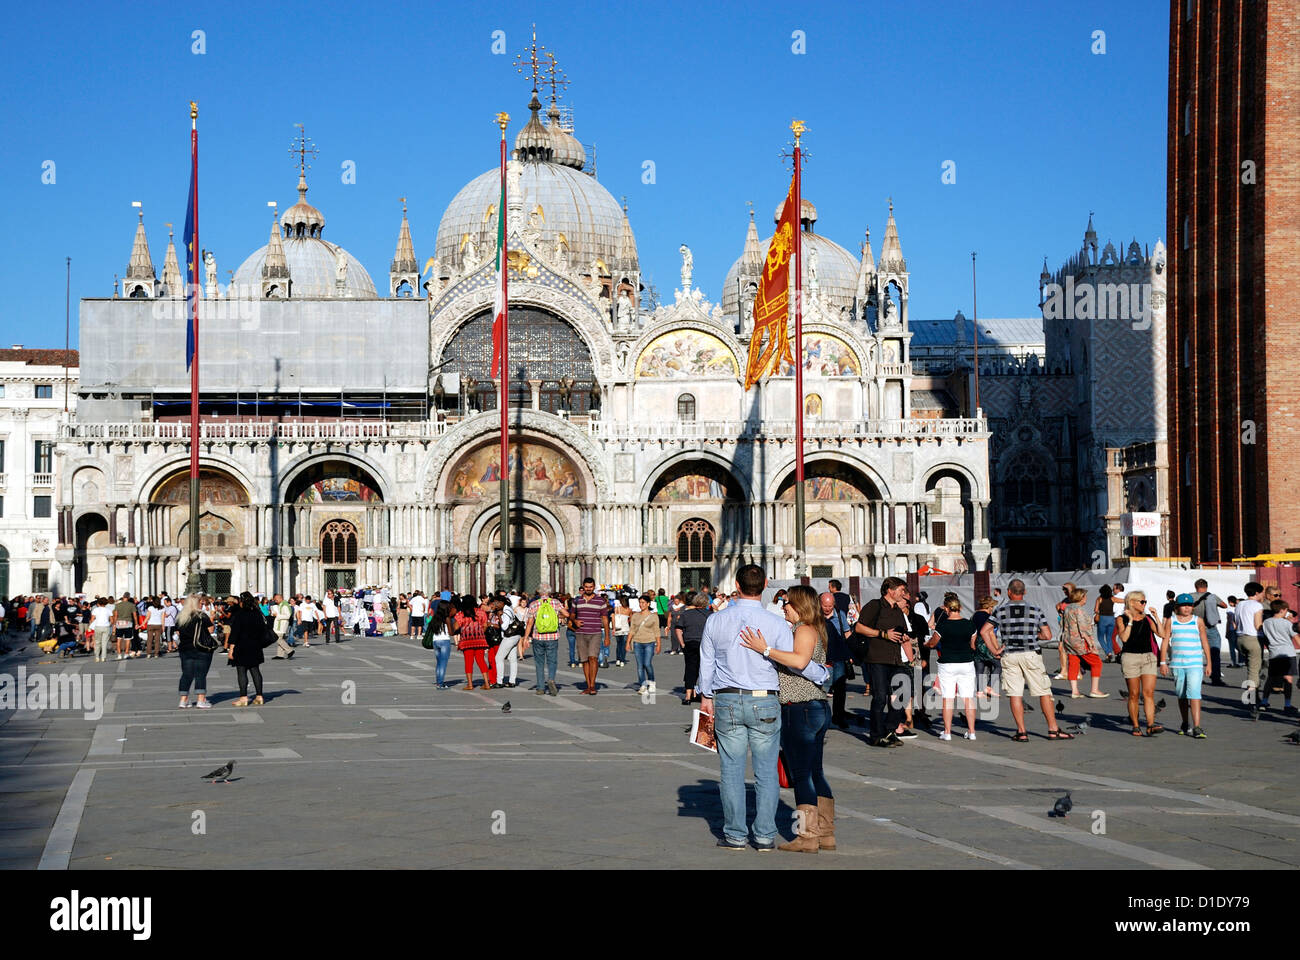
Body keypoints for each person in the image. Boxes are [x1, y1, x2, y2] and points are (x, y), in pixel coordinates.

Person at [699, 564, 800, 851]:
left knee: (731, 771)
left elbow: (706, 662)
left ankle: (735, 835)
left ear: (737, 585)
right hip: (765, 699)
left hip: (727, 698)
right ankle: (766, 836)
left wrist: (706, 697)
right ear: (766, 584)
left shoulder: (716, 620)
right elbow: (789, 660)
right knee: (766, 772)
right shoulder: (777, 623)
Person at [738, 584, 835, 853]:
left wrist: (764, 649)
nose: (784, 608)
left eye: (787, 604)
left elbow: (800, 661)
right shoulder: (814, 628)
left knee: (802, 773)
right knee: (815, 771)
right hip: (814, 707)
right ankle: (825, 832)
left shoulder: (803, 629)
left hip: (800, 708)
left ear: (799, 606)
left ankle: (807, 836)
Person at [991, 579, 1074, 741]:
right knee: (1044, 692)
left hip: (1010, 655)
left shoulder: (999, 611)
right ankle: (1053, 729)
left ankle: (1021, 732)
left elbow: (986, 630)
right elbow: (1047, 635)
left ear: (1009, 592)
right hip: (1030, 654)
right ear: (1024, 592)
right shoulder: (1035, 610)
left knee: (1015, 694)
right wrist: (1032, 636)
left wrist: (995, 649)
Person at [853, 577, 911, 747]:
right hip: (877, 658)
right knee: (880, 697)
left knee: (901, 695)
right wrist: (883, 634)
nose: (903, 593)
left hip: (895, 659)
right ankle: (876, 736)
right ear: (890, 590)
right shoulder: (875, 605)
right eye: (901, 590)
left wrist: (904, 636)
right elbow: (859, 627)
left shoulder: (897, 610)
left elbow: (900, 632)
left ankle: (890, 730)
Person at [927, 594, 978, 740]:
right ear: (960, 608)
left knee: (948, 698)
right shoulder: (970, 624)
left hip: (947, 663)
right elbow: (973, 645)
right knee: (968, 698)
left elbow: (933, 643)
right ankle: (972, 731)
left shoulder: (942, 625)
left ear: (947, 609)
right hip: (966, 663)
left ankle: (947, 732)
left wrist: (925, 645)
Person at [1160, 593, 1210, 737]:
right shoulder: (1171, 621)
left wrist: (1209, 663)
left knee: (1194, 694)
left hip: (1195, 663)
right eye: (1183, 605)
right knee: (1181, 696)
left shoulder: (1198, 621)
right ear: (1177, 607)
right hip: (1177, 664)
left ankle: (1197, 726)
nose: (1187, 608)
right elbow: (1165, 641)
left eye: (1189, 605)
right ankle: (1185, 722)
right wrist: (1163, 662)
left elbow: (1205, 642)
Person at [1115, 589, 1163, 736]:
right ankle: (1136, 725)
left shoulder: (1148, 618)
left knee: (1149, 693)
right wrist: (1130, 621)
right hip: (1130, 658)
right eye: (1142, 601)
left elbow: (1162, 634)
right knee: (1134, 694)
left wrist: (1156, 616)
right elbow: (1124, 638)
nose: (1144, 604)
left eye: (1145, 601)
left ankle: (1150, 724)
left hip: (1148, 657)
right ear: (1132, 602)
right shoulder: (1121, 618)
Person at [1062, 586, 1108, 699]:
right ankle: (1094, 690)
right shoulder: (1079, 609)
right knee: (1096, 662)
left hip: (1069, 639)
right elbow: (1082, 627)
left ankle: (1074, 691)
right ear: (1081, 597)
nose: (1086, 598)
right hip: (1080, 640)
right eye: (1085, 596)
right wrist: (1090, 642)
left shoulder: (1068, 608)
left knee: (1073, 663)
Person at [226, 592, 269, 707]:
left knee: (241, 671)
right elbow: (262, 630)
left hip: (242, 646)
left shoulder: (240, 614)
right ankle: (259, 696)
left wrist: (231, 649)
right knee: (255, 670)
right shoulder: (257, 614)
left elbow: (235, 633)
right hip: (255, 646)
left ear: (242, 602)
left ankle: (243, 698)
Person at [570, 577, 610, 695]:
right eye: (586, 587)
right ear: (583, 586)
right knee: (585, 660)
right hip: (581, 633)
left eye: (591, 587)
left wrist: (607, 636)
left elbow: (605, 619)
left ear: (594, 587)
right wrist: (575, 621)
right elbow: (572, 615)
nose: (588, 589)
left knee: (593, 657)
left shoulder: (600, 601)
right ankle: (588, 685)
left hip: (595, 633)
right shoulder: (577, 600)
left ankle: (593, 685)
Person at [1260, 599, 1300, 716]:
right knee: (1288, 679)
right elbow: (1296, 637)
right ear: (1282, 610)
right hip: (1287, 653)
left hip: (1274, 653)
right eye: (1286, 610)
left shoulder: (1266, 622)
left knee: (1271, 678)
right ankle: (1287, 704)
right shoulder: (1287, 623)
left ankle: (1264, 702)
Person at [175, 596, 215, 709]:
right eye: (200, 603)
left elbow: (177, 632)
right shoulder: (201, 616)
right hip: (201, 648)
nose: (202, 605)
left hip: (185, 649)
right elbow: (211, 630)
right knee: (200, 674)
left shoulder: (181, 617)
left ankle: (183, 700)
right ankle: (201, 700)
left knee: (186, 674)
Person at [822, 591, 853, 730]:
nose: (827, 609)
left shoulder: (840, 615)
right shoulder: (815, 616)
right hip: (823, 656)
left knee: (840, 687)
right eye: (824, 606)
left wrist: (851, 653)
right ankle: (821, 717)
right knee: (823, 687)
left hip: (839, 656)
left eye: (830, 606)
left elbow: (847, 633)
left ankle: (839, 716)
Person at [524, 585, 561, 696]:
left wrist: (526, 638)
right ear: (549, 592)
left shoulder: (534, 604)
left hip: (538, 636)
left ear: (539, 592)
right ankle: (551, 679)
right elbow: (566, 613)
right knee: (552, 661)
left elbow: (530, 623)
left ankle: (540, 687)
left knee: (539, 663)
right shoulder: (556, 603)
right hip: (552, 636)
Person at [1234, 582, 1266, 711]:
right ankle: (1251, 700)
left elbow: (1236, 622)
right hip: (1253, 638)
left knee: (1252, 668)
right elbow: (1258, 624)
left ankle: (1254, 697)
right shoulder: (1257, 605)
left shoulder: (1240, 604)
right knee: (1253, 670)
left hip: (1240, 638)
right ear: (1257, 593)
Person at [1190, 579, 1227, 686]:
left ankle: (1196, 678)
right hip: (1210, 628)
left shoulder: (1190, 597)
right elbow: (1225, 605)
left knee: (1195, 654)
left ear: (1196, 586)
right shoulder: (1212, 596)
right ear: (1206, 586)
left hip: (1195, 628)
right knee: (1214, 653)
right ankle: (1216, 678)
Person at [676, 591, 710, 704]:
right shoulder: (709, 614)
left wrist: (682, 644)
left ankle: (688, 696)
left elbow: (678, 629)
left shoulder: (686, 614)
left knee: (690, 668)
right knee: (704, 670)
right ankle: (701, 693)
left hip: (689, 643)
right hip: (705, 645)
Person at [453, 595, 492, 690]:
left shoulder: (461, 614)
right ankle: (487, 683)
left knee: (468, 662)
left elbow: (456, 627)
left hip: (467, 641)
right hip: (480, 640)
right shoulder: (481, 612)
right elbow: (485, 625)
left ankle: (470, 685)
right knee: (481, 661)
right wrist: (481, 631)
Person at [629, 593, 661, 694]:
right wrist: (628, 642)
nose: (641, 605)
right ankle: (642, 684)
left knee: (647, 664)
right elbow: (632, 630)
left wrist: (659, 644)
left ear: (648, 604)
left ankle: (651, 682)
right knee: (639, 665)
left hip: (649, 642)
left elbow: (657, 631)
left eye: (643, 603)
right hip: (637, 642)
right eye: (640, 603)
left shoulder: (654, 617)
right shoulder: (635, 615)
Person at [493, 592, 525, 688]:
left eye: (496, 603)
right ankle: (512, 681)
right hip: (516, 635)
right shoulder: (509, 609)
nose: (495, 605)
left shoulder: (505, 611)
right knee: (512, 659)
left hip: (509, 636)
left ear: (501, 602)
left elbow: (504, 626)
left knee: (498, 658)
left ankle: (499, 681)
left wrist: (499, 616)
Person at [972, 595, 1001, 699]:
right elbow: (991, 633)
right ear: (989, 607)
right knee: (998, 665)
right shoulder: (988, 618)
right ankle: (989, 686)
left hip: (976, 642)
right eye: (992, 607)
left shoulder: (974, 615)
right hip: (986, 643)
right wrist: (997, 648)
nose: (992, 609)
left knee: (979, 667)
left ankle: (979, 691)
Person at [423, 601, 455, 689]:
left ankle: (438, 682)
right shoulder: (447, 618)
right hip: (444, 641)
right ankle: (440, 684)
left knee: (439, 663)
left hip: (435, 641)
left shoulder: (435, 618)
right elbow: (451, 632)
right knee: (443, 663)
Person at [1094, 584, 1117, 661]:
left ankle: (1108, 653)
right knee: (1109, 638)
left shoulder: (1099, 599)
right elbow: (1123, 601)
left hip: (1103, 618)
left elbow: (1096, 610)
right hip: (1111, 618)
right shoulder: (1113, 598)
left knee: (1100, 638)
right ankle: (1108, 655)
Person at [608, 593, 632, 668]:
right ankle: (622, 660)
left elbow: (613, 619)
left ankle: (618, 659)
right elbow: (630, 620)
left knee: (619, 645)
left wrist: (614, 628)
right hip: (625, 629)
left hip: (618, 629)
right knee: (624, 645)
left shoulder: (616, 608)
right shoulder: (629, 610)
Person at [113, 593, 136, 660]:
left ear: (123, 597)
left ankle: (119, 654)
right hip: (128, 622)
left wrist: (114, 624)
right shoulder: (131, 605)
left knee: (119, 639)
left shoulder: (117, 605)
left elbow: (115, 615)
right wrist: (136, 623)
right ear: (128, 597)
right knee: (128, 640)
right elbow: (134, 616)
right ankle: (126, 654)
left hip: (119, 623)